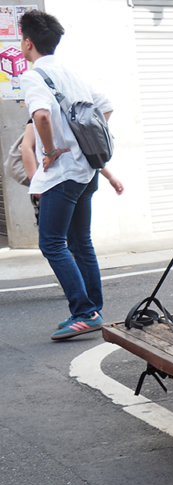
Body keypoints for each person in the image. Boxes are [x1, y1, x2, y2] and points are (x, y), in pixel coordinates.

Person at [19, 9, 113, 340]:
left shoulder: (33, 77)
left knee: (52, 243)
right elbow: (106, 106)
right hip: (87, 170)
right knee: (80, 242)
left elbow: (41, 117)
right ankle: (92, 310)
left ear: (28, 43)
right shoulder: (70, 73)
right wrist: (83, 141)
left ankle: (84, 312)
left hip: (62, 174)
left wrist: (51, 150)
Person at [20, 120, 124, 223]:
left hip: (59, 181)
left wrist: (35, 182)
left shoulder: (43, 112)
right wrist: (110, 176)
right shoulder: (74, 114)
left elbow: (26, 147)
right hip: (85, 178)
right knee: (79, 236)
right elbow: (87, 152)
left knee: (53, 236)